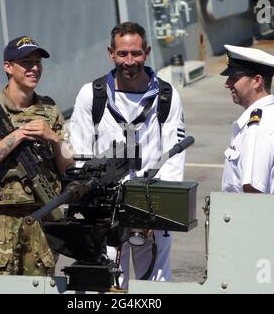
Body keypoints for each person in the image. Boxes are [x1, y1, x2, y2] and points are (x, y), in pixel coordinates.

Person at [69, 22, 186, 289]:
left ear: (147, 51)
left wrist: (153, 214)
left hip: (152, 203)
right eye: (122, 53)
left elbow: (173, 158)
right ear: (111, 53)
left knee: (156, 284)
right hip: (106, 206)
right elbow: (82, 155)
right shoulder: (92, 95)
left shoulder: (166, 96)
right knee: (108, 283)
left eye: (136, 53)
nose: (129, 61)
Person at [0, 35, 73, 275]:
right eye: (26, 62)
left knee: (40, 287)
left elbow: (68, 168)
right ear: (8, 67)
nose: (34, 68)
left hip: (41, 219)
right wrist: (18, 135)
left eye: (38, 62)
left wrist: (53, 138)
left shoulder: (50, 111)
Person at [220, 44, 274, 194]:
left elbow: (254, 193)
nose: (227, 84)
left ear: (256, 81)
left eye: (234, 78)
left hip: (249, 216)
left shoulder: (257, 129)